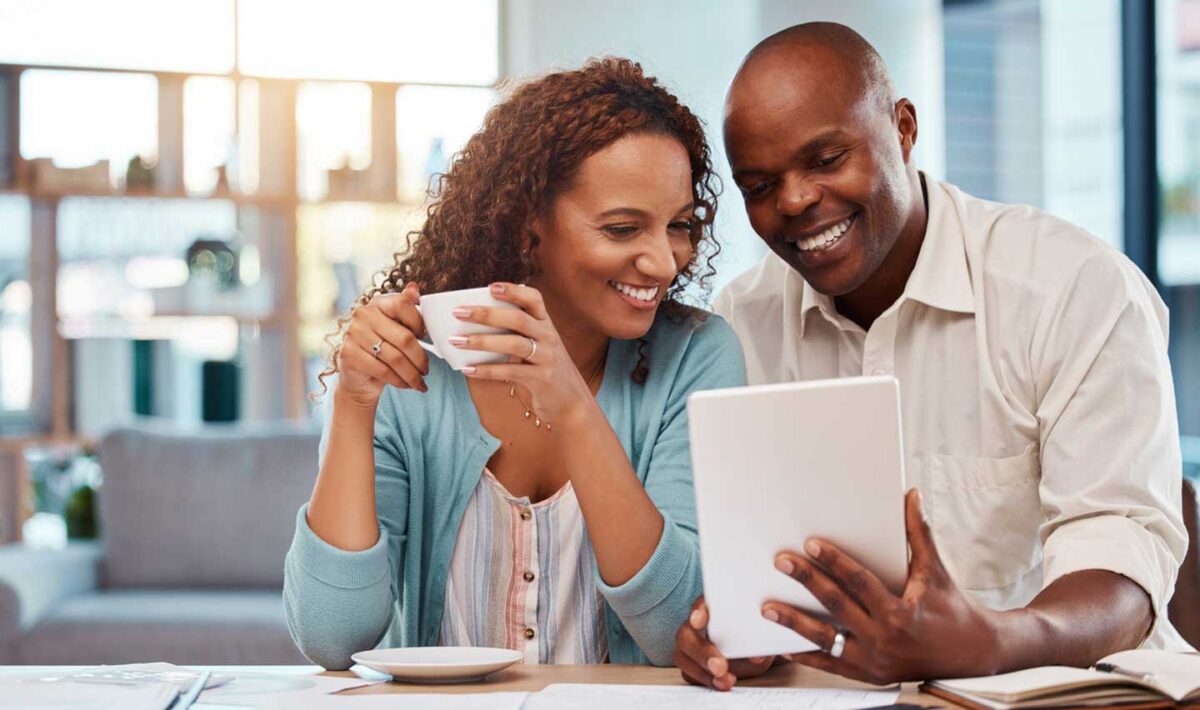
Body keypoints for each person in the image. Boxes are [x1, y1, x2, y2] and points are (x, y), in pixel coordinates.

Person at [674, 22, 1190, 689]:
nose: (795, 200)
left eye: (827, 159)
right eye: (760, 186)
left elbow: (1125, 564)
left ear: (905, 129)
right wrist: (726, 635)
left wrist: (990, 642)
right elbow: (747, 575)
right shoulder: (739, 325)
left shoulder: (1071, 288)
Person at [283, 57, 745, 670]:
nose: (664, 262)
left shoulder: (696, 356)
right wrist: (352, 403)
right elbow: (331, 637)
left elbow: (679, 630)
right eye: (623, 228)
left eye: (680, 226)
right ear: (530, 225)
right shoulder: (414, 369)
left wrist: (574, 409)